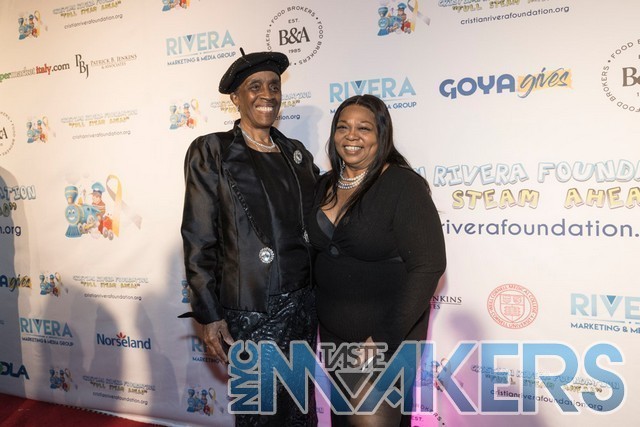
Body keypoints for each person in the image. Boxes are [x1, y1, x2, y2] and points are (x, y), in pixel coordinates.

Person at [180, 49, 319, 426]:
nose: (267, 94)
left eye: (274, 86)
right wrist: (209, 315)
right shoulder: (213, 151)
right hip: (252, 311)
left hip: (303, 306)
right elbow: (198, 238)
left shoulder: (296, 154)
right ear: (235, 98)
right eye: (254, 87)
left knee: (299, 409)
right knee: (259, 412)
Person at [307, 94, 446, 426]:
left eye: (364, 128)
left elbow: (428, 265)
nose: (351, 136)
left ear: (381, 135)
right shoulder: (323, 185)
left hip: (386, 338)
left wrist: (382, 339)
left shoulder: (402, 185)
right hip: (335, 335)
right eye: (343, 127)